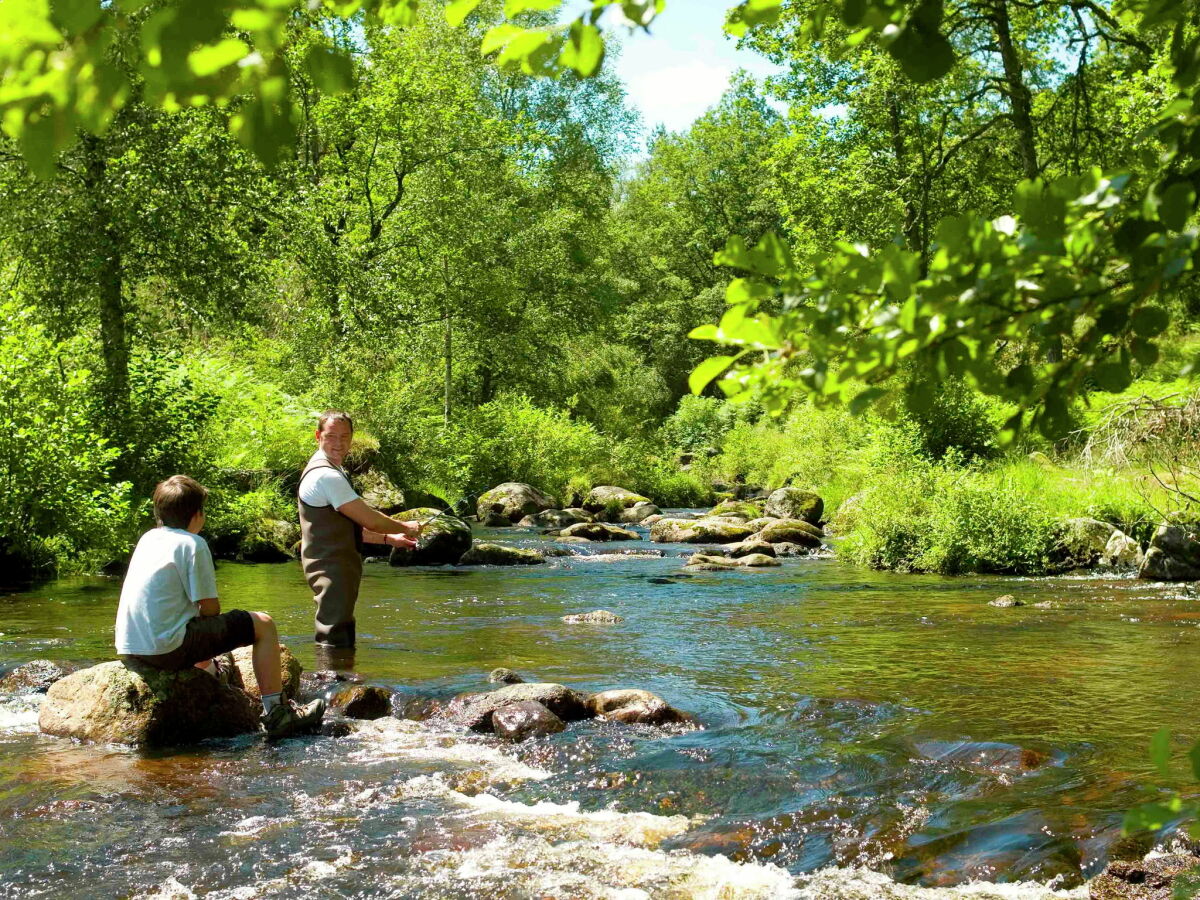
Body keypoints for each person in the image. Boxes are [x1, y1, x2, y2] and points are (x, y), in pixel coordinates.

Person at [115, 475, 325, 741]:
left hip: (131, 647)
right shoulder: (192, 544)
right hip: (166, 649)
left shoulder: (148, 539)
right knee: (263, 623)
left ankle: (212, 672)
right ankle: (278, 712)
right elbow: (210, 608)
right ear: (197, 515)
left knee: (195, 628)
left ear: (159, 512)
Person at [298, 411, 422, 648]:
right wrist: (407, 527)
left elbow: (348, 527)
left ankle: (340, 678)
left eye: (345, 436)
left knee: (341, 627)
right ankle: (332, 682)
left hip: (333, 564)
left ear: (352, 438)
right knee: (333, 633)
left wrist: (389, 539)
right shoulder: (326, 476)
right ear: (318, 436)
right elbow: (370, 520)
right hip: (330, 566)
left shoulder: (333, 471)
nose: (339, 443)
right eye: (331, 436)